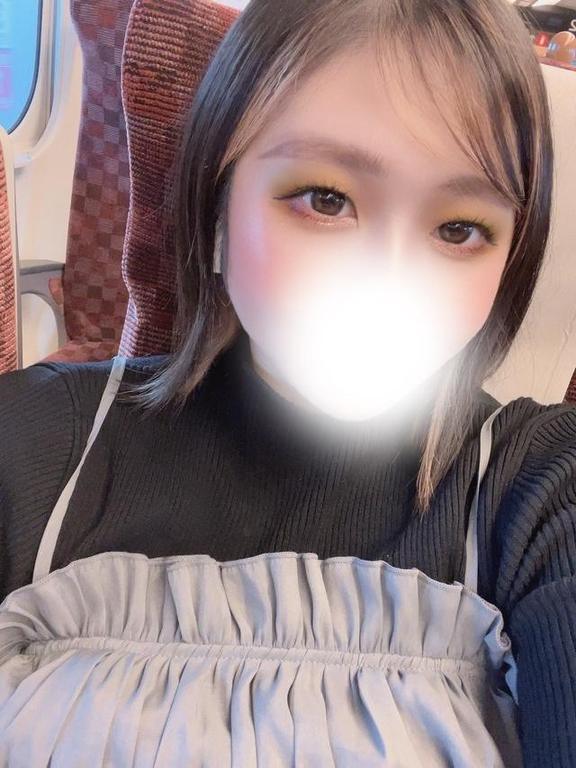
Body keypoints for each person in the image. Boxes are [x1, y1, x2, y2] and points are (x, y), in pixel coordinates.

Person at [0, 0, 574, 764]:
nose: (388, 284)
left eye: (458, 229)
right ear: (216, 208)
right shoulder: (38, 447)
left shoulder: (541, 489)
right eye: (326, 199)